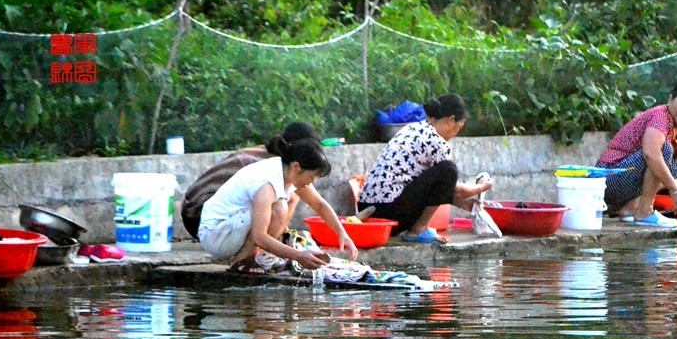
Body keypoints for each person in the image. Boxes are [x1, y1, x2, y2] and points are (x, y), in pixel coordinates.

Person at [199, 136, 358, 274]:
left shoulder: (287, 171)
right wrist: (297, 255)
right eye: (312, 176)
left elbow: (320, 205)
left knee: (290, 199)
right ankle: (241, 261)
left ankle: (257, 256)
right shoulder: (266, 184)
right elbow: (259, 236)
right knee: (279, 207)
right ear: (297, 167)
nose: (312, 182)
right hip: (215, 235)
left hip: (232, 228)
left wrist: (342, 233)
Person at [357, 93, 492, 245]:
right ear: (451, 120)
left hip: (369, 209)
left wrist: (463, 204)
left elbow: (430, 188)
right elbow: (453, 188)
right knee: (449, 170)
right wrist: (481, 187)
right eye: (458, 127)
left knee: (443, 174)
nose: (456, 134)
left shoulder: (412, 128)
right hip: (390, 215)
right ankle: (418, 229)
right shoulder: (436, 142)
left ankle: (418, 228)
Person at [595, 81, 677, 227]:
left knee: (676, 165)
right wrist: (675, 191)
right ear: (670, 99)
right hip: (607, 180)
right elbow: (650, 154)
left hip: (623, 182)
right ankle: (644, 212)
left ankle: (630, 208)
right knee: (664, 151)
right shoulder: (660, 117)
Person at [182, 122, 319, 239]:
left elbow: (318, 203)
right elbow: (313, 200)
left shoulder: (264, 153)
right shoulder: (273, 166)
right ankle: (268, 244)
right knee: (289, 197)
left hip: (191, 215)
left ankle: (270, 240)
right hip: (200, 217)